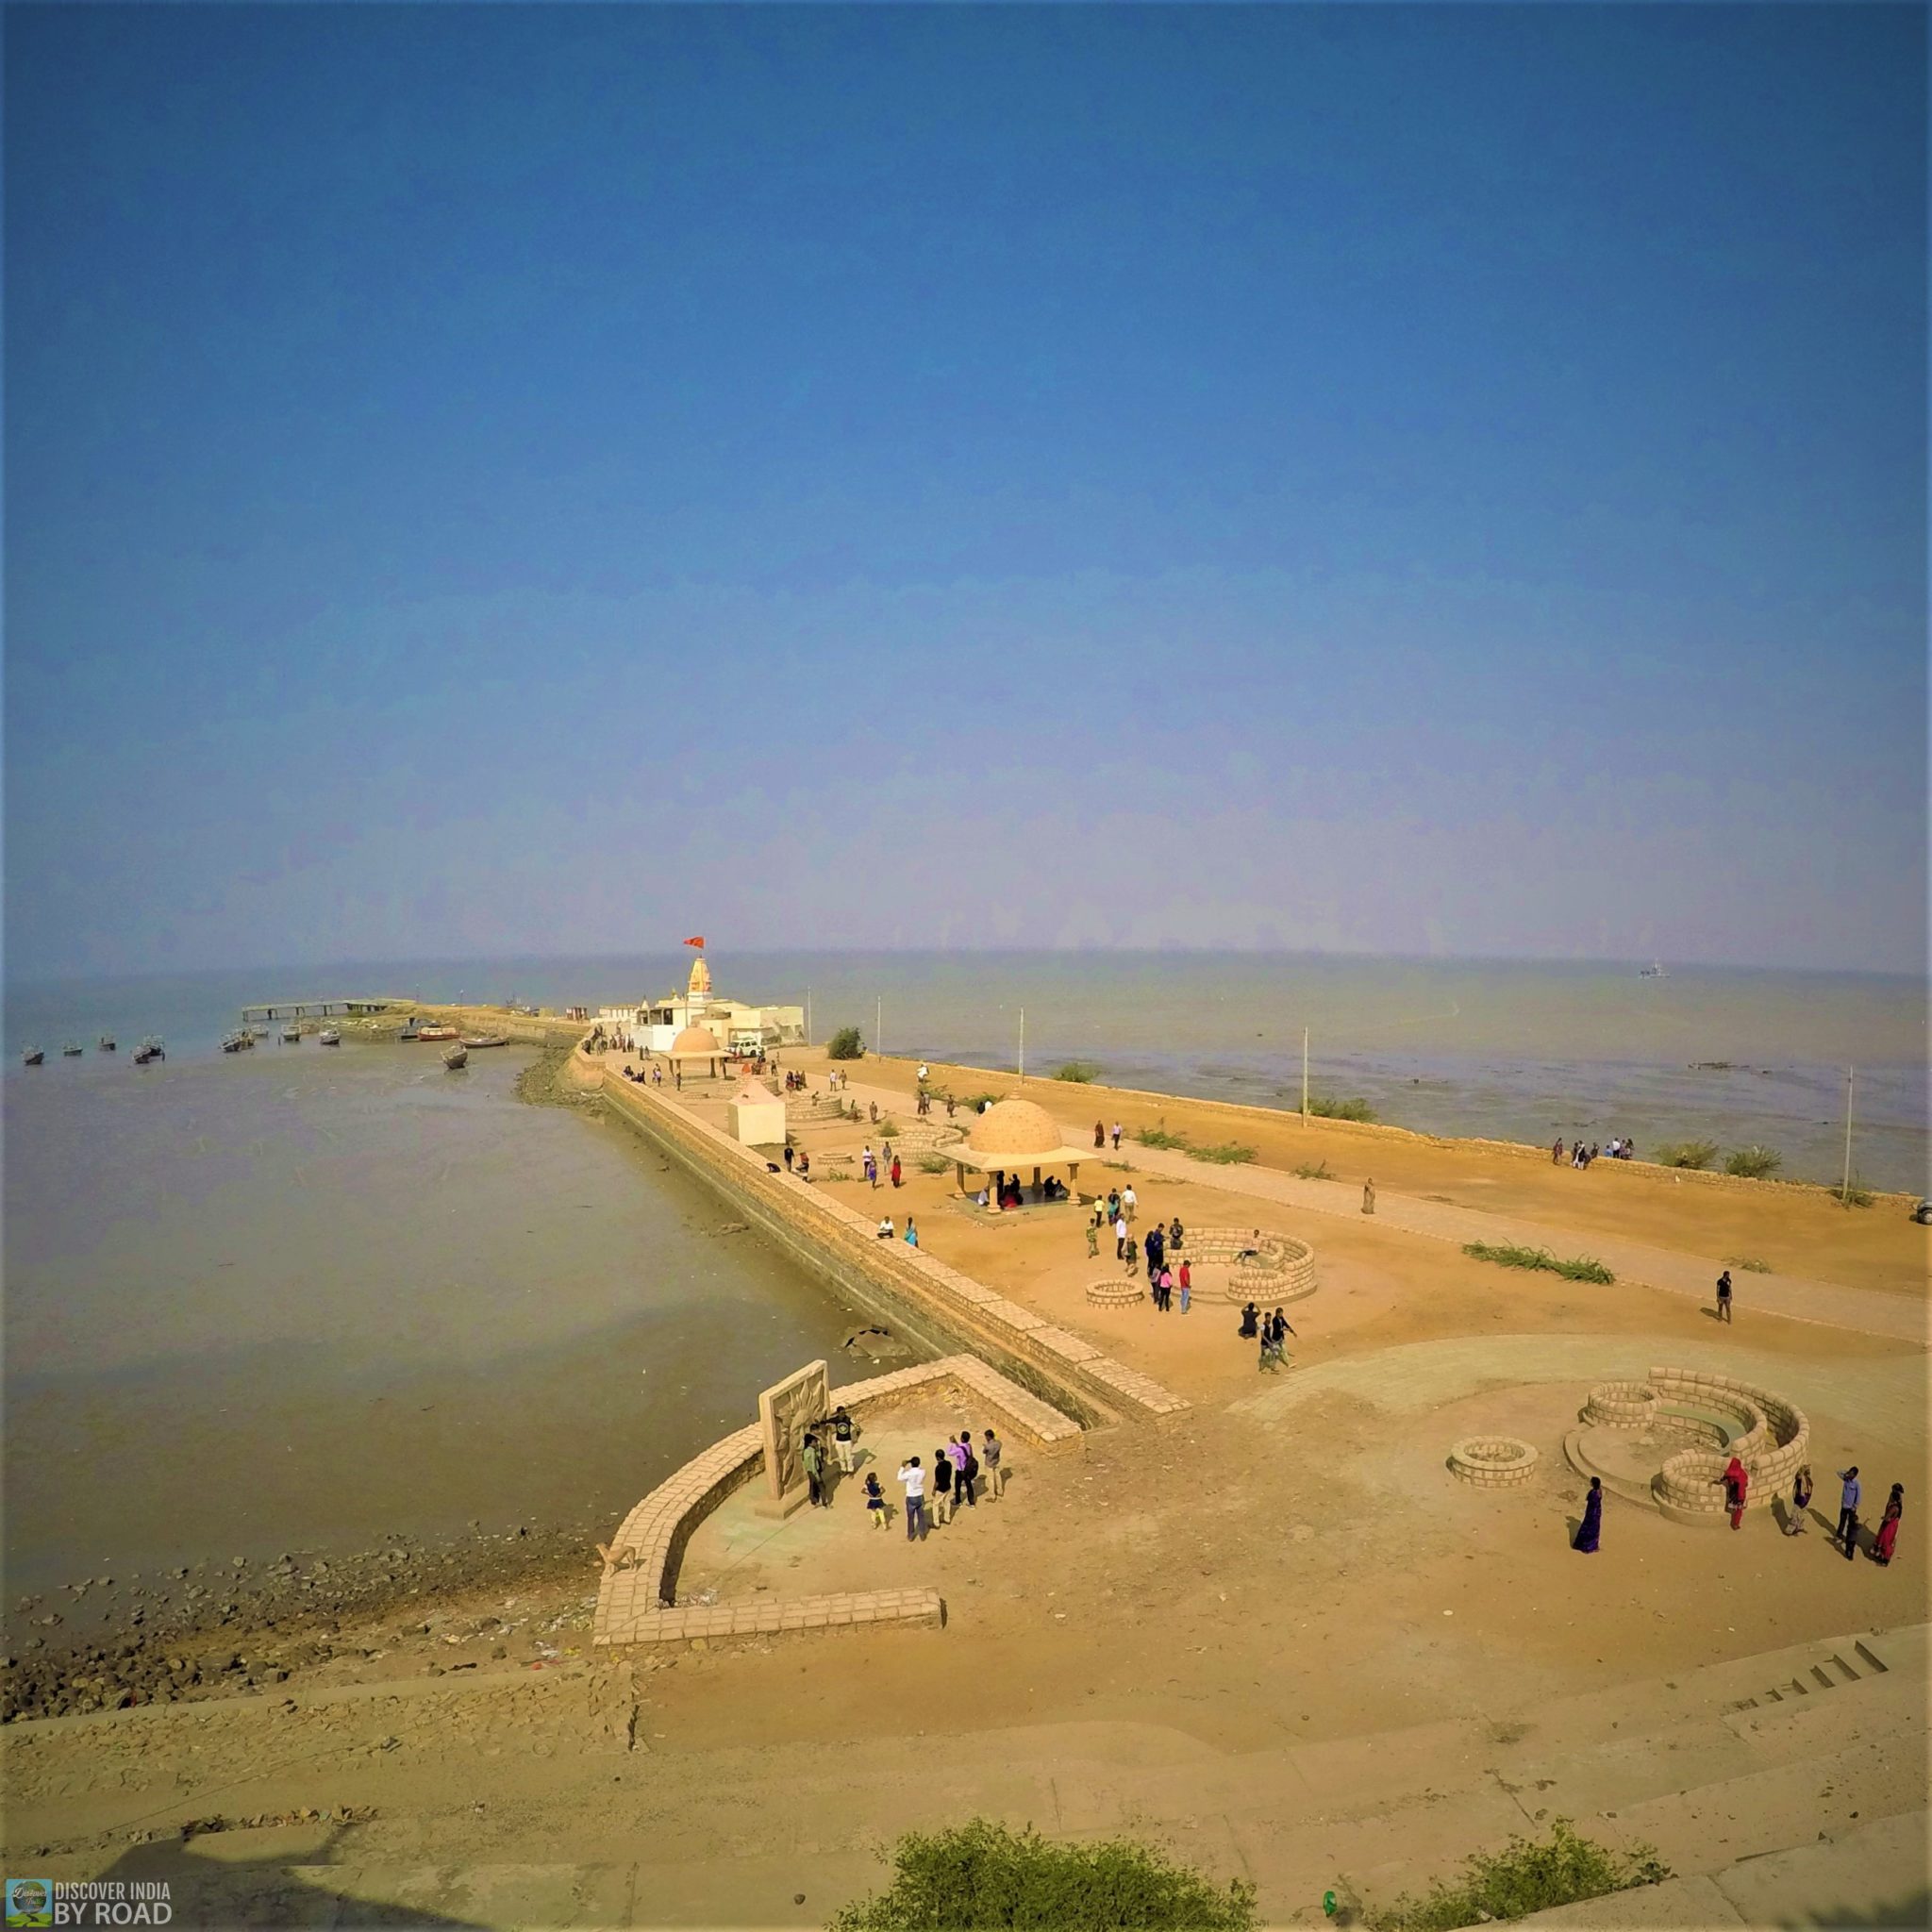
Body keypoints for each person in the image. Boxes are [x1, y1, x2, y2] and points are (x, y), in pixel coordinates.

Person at [1873, 1484, 1903, 1566]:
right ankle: (1882, 1556)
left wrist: (1885, 1518)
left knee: (1886, 1541)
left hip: (1890, 1526)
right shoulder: (1897, 1504)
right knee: (1887, 1540)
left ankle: (1885, 1559)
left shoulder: (1894, 1507)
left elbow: (1887, 1518)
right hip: (1892, 1524)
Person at [898, 1456, 927, 1541]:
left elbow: (899, 1477)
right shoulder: (923, 1472)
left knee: (910, 1518)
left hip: (911, 1496)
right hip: (920, 1495)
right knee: (921, 1516)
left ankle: (911, 1535)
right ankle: (922, 1534)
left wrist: (902, 1466)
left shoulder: (908, 1473)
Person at [1573, 1476, 1604, 1553]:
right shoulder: (1600, 1491)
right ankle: (1593, 1546)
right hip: (1597, 1513)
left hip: (1591, 1513)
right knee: (1595, 1529)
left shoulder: (1592, 1493)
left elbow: (1589, 1500)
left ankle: (1585, 1546)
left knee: (1587, 1528)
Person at [1837, 1466, 1861, 1559]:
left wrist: (1854, 1507)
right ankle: (1839, 1535)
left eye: (1852, 1473)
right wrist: (1846, 1472)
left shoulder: (1857, 1484)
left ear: (1855, 1475)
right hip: (1844, 1505)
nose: (1850, 1474)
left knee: (1851, 1525)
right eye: (1850, 1472)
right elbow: (1838, 1472)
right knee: (1842, 1521)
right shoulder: (1846, 1479)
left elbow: (1858, 1497)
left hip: (1851, 1508)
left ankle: (1849, 1539)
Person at [1720, 1453, 1749, 1530]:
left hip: (1734, 1493)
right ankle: (1735, 1524)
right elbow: (1746, 1483)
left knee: (1734, 1505)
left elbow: (1723, 1479)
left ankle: (1732, 1511)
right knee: (1739, 1510)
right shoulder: (1742, 1473)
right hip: (1741, 1494)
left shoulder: (1729, 1473)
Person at [802, 1432, 826, 1509]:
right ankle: (824, 1503)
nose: (816, 1443)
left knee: (812, 1485)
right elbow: (813, 1464)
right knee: (822, 1486)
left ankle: (813, 1500)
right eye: (814, 1442)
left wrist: (818, 1448)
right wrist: (817, 1475)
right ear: (810, 1443)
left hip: (809, 1472)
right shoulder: (812, 1452)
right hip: (815, 1471)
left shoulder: (805, 1451)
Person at [930, 1443, 954, 1524]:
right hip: (947, 1486)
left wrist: (933, 1489)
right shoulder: (949, 1464)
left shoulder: (938, 1468)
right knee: (947, 1503)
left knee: (935, 1504)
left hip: (940, 1489)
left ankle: (936, 1522)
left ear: (937, 1457)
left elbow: (937, 1481)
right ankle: (947, 1519)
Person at [1786, 1465, 1812, 1535]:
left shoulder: (1807, 1478)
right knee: (1796, 1513)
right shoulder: (1801, 1478)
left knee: (1798, 1513)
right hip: (1801, 1498)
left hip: (1804, 1498)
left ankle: (1797, 1527)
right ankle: (1795, 1528)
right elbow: (1798, 1476)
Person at [831, 1406, 857, 1475]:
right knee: (841, 1457)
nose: (843, 1414)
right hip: (839, 1441)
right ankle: (843, 1469)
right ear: (838, 1413)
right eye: (842, 1413)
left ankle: (851, 1470)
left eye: (844, 1412)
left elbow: (857, 1426)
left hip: (847, 1441)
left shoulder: (848, 1419)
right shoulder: (836, 1419)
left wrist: (856, 1435)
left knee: (848, 1457)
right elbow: (826, 1421)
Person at [958, 1433, 979, 1507]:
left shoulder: (960, 1447)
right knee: (969, 1485)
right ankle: (972, 1503)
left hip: (962, 1469)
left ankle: (958, 1501)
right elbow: (971, 1456)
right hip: (968, 1468)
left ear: (962, 1439)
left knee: (957, 1485)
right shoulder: (969, 1446)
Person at [982, 1427, 1005, 1499]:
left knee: (991, 1479)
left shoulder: (988, 1446)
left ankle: (992, 1496)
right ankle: (1000, 1491)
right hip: (996, 1461)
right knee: (998, 1476)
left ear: (988, 1437)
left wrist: (985, 1446)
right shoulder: (999, 1443)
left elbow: (984, 1452)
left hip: (989, 1463)